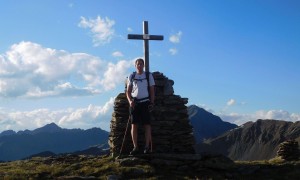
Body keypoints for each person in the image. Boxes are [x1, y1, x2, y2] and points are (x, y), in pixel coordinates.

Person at [126, 58, 155, 155]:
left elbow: (152, 90)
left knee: (147, 124)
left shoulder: (148, 75)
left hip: (146, 102)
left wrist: (152, 102)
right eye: (138, 64)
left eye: (141, 64)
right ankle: (135, 147)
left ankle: (147, 147)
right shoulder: (132, 76)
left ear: (143, 65)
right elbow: (128, 91)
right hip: (135, 103)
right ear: (135, 65)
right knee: (134, 125)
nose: (139, 66)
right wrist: (130, 101)